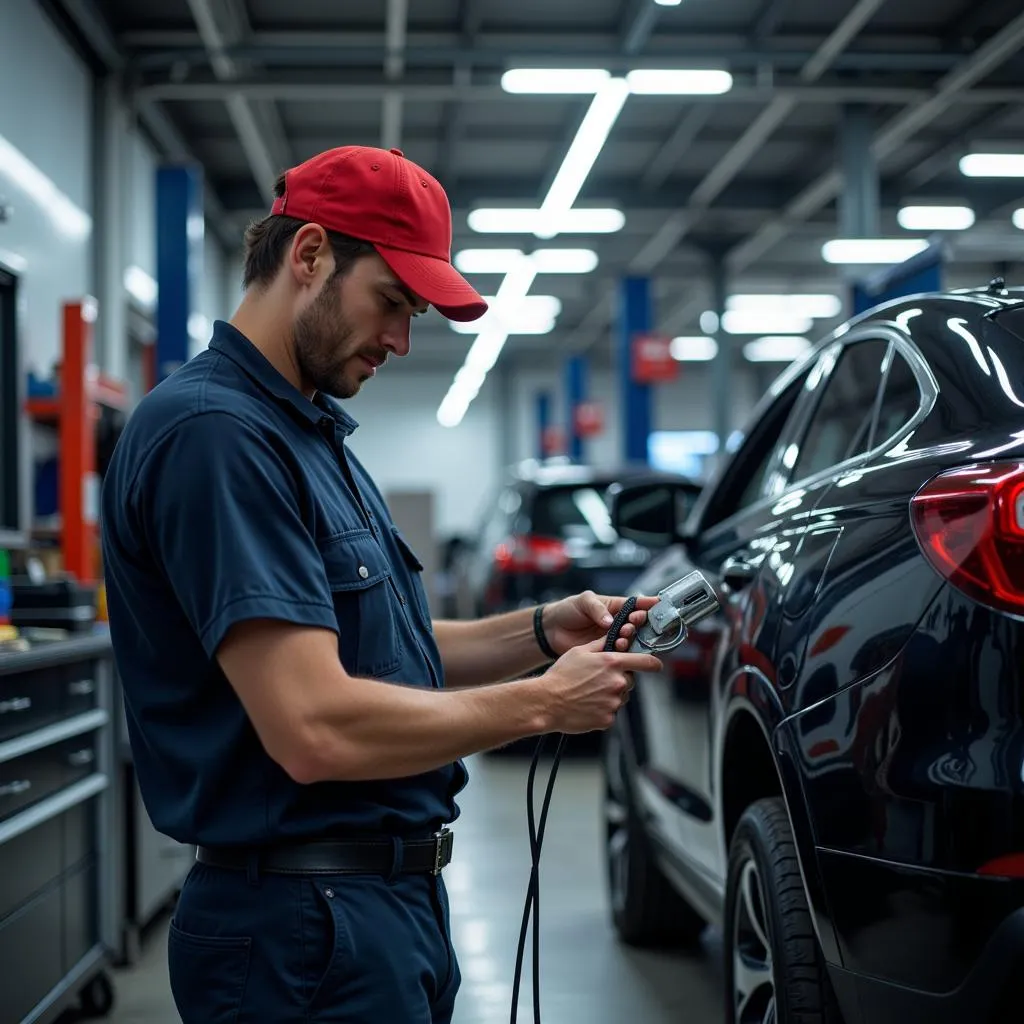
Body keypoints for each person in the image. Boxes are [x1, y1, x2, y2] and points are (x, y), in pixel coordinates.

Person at [100, 145, 663, 1024]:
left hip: (378, 913)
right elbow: (314, 726)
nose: (401, 340)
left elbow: (384, 649)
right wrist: (544, 706)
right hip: (300, 932)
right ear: (311, 254)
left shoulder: (309, 433)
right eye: (392, 303)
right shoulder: (215, 437)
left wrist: (547, 630)